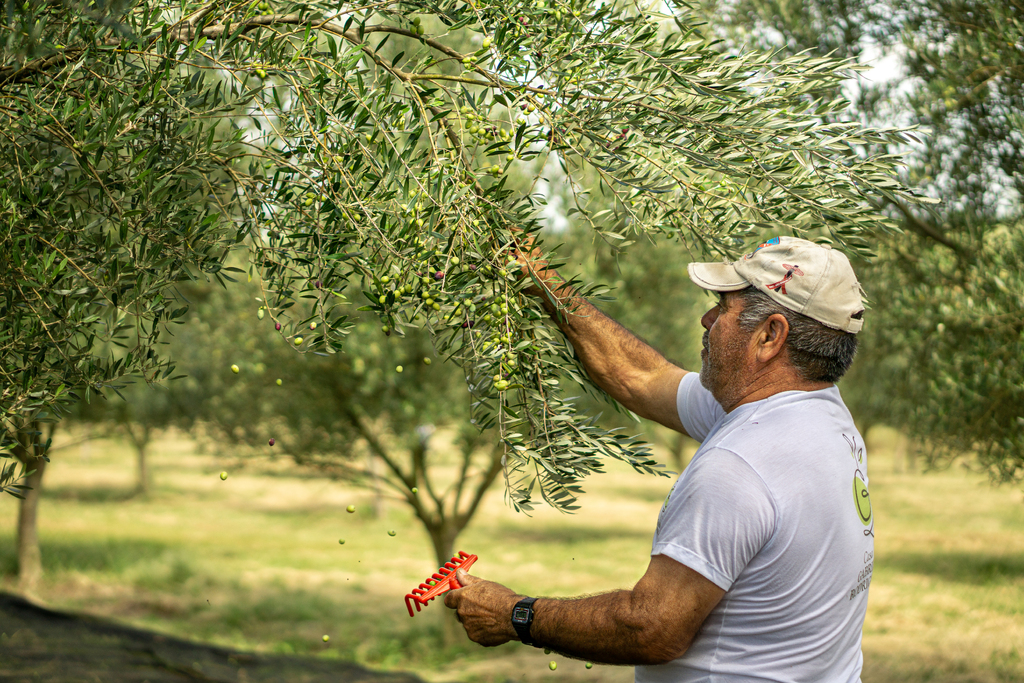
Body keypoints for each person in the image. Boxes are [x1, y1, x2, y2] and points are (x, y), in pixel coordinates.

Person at [444, 236, 875, 683]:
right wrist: (545, 283)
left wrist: (515, 614)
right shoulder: (820, 414)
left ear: (770, 336)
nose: (706, 319)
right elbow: (641, 377)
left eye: (722, 310)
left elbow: (650, 628)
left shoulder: (739, 466)